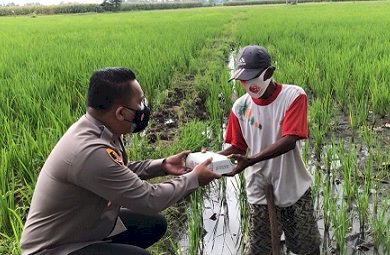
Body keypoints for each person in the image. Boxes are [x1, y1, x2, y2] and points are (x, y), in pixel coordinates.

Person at [20, 67, 221, 255]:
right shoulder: (89, 151)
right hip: (55, 247)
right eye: (140, 102)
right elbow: (149, 199)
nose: (144, 107)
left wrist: (163, 165)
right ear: (121, 113)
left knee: (153, 225)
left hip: (84, 225)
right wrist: (194, 178)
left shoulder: (100, 128)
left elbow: (117, 171)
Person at [220, 45, 321, 254]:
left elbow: (290, 139)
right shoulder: (239, 107)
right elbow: (238, 146)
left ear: (269, 72)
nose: (248, 84)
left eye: (253, 77)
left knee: (307, 248)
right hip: (258, 188)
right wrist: (211, 158)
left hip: (293, 187)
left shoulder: (293, 96)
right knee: (259, 249)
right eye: (243, 79)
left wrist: (252, 159)